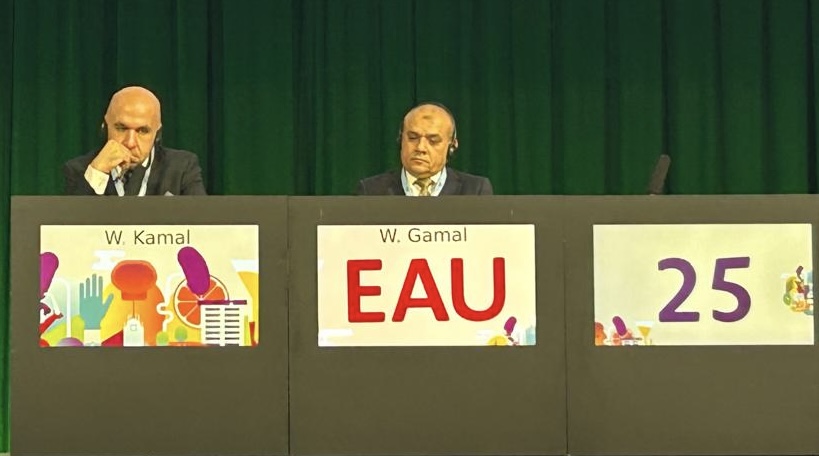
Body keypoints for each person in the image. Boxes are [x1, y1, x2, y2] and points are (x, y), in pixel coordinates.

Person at [63, 86, 206, 196]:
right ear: (105, 128)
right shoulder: (78, 170)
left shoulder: (182, 168)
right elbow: (70, 222)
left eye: (143, 131)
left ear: (157, 134)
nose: (130, 143)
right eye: (121, 128)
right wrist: (97, 172)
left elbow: (201, 222)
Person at [356, 102, 493, 196]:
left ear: (451, 146)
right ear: (400, 140)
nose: (420, 147)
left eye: (433, 141)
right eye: (412, 138)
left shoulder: (475, 190)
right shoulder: (371, 191)